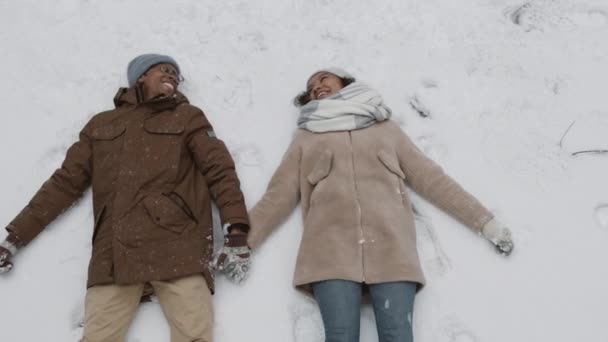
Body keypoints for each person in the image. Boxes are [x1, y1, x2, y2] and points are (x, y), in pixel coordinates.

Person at [245, 68, 514, 342]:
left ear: (345, 82)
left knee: (398, 336)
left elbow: (433, 180)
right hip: (329, 252)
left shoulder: (384, 128)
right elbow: (277, 196)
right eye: (311, 86)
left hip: (391, 249)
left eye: (324, 78)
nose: (316, 86)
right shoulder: (306, 137)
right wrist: (242, 242)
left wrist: (486, 223)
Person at [0, 53, 250, 342]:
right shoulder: (101, 125)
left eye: (175, 74)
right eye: (163, 70)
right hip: (114, 255)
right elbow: (64, 183)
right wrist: (15, 237)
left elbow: (219, 170)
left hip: (179, 246)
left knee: (195, 336)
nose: (171, 76)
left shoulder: (188, 116)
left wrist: (236, 228)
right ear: (140, 76)